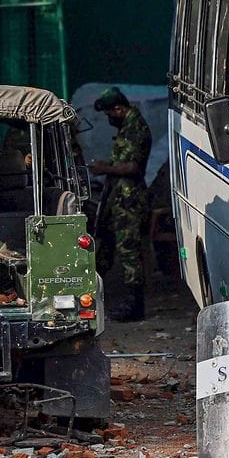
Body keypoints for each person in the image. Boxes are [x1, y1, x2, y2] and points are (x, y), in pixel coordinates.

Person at [91, 86, 152, 322]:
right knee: (104, 246)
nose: (109, 119)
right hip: (118, 198)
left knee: (129, 251)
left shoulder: (136, 128)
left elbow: (133, 167)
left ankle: (135, 305)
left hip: (129, 200)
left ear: (119, 109)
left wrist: (104, 168)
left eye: (110, 114)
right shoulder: (128, 127)